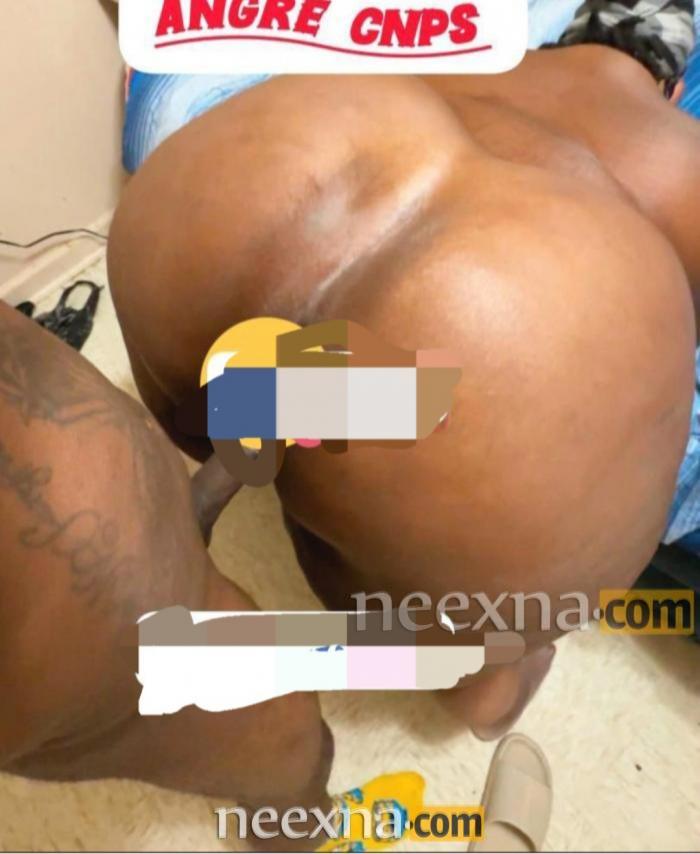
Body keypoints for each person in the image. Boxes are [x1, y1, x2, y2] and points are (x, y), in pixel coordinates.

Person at [107, 44, 699, 732]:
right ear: (674, 90)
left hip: (279, 165)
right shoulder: (678, 158)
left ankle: (217, 469)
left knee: (239, 404)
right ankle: (488, 685)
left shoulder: (514, 54)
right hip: (489, 358)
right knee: (482, 659)